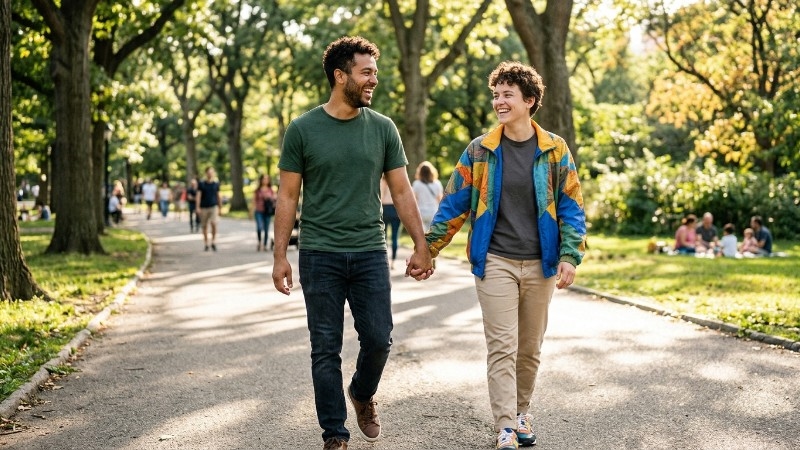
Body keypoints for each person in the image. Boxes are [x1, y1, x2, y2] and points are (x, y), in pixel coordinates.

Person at [270, 36, 433, 450]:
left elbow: (401, 192)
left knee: (379, 339)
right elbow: (287, 196)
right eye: (366, 73)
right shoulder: (303, 129)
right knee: (324, 347)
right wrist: (280, 256)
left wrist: (421, 244)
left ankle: (361, 393)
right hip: (319, 253)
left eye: (375, 73)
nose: (373, 80)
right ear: (340, 76)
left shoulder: (382, 128)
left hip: (369, 252)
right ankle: (335, 434)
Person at [425, 61, 586, 450]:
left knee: (529, 349)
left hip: (541, 263)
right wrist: (428, 249)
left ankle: (521, 411)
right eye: (496, 94)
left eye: (507, 94)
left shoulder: (554, 149)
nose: (499, 101)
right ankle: (505, 427)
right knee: (502, 346)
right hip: (494, 259)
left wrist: (570, 254)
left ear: (529, 101)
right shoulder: (480, 150)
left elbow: (571, 206)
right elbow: (453, 205)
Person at [411, 161, 443, 232]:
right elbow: (440, 200)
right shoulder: (437, 183)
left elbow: (414, 200)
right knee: (431, 234)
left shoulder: (416, 184)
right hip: (433, 212)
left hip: (420, 212)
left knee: (422, 235)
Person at [197, 166, 221, 251]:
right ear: (206, 173)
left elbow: (218, 196)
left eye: (211, 172)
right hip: (204, 207)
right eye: (208, 172)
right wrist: (197, 207)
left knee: (214, 223)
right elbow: (198, 196)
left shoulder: (216, 184)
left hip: (213, 206)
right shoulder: (202, 184)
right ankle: (206, 242)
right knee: (204, 226)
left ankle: (213, 241)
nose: (210, 174)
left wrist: (220, 207)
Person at [380, 175, 401, 269]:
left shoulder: (382, 181)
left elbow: (380, 196)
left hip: (385, 209)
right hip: (396, 209)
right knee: (395, 236)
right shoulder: (398, 180)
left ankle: (385, 260)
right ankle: (393, 261)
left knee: (383, 237)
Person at [253, 173, 276, 251]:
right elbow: (254, 201)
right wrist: (251, 211)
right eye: (264, 179)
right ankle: (259, 242)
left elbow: (275, 200)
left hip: (267, 212)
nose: (265, 180)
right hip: (259, 211)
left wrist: (270, 197)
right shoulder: (257, 190)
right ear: (261, 180)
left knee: (266, 229)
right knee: (259, 227)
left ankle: (265, 244)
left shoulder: (271, 190)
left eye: (267, 179)